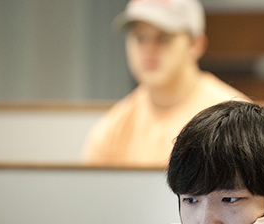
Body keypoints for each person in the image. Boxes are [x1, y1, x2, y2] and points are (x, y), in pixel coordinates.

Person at [83, 0, 247, 166]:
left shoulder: (234, 121)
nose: (149, 49)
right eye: (140, 38)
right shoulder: (112, 130)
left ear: (195, 44)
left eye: (163, 38)